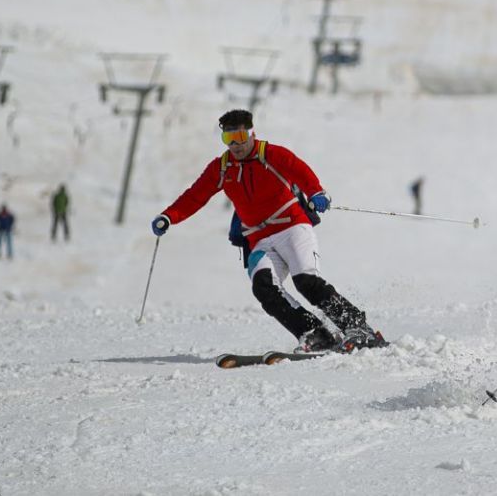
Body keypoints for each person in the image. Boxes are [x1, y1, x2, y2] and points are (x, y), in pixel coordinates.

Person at [151, 109, 385, 353]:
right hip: (259, 239)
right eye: (228, 139)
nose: (236, 145)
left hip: (292, 227)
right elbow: (195, 196)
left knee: (306, 281)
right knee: (264, 288)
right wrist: (169, 217)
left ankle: (358, 327)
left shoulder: (271, 155)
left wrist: (316, 193)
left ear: (252, 133)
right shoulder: (222, 167)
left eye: (240, 137)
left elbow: (301, 172)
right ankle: (315, 334)